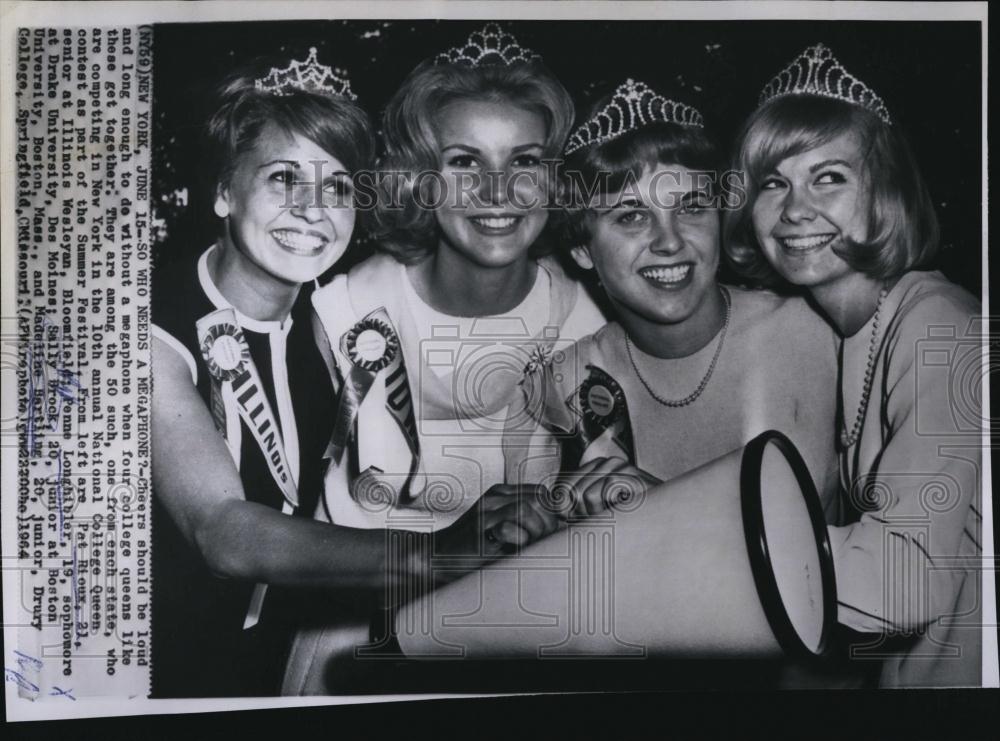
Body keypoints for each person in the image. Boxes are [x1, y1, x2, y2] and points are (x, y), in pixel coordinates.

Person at [151, 49, 558, 698]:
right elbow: (221, 530)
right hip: (158, 674)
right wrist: (436, 554)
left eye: (338, 187)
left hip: (273, 666)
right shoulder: (148, 329)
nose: (313, 209)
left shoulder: (336, 319)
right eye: (284, 178)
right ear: (225, 191)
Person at [725, 43, 983, 688]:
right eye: (773, 183)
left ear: (885, 192)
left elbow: (900, 582)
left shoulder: (941, 325)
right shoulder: (837, 329)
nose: (795, 210)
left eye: (829, 177)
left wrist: (702, 539)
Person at [311, 23, 606, 532]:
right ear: (420, 180)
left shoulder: (586, 318)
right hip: (358, 577)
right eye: (465, 161)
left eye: (525, 161)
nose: (498, 191)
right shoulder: (344, 312)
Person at [548, 79, 840, 521]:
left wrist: (663, 507)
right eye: (632, 216)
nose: (669, 241)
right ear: (582, 249)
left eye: (690, 208)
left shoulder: (815, 330)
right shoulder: (566, 381)